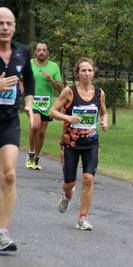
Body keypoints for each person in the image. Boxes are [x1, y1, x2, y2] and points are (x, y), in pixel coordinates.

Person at [49, 57, 108, 230]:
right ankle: (67, 195)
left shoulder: (99, 93)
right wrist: (67, 117)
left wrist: (104, 122)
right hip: (71, 145)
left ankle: (82, 218)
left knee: (88, 179)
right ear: (77, 74)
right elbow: (53, 111)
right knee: (70, 184)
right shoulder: (69, 92)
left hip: (91, 144)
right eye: (83, 70)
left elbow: (103, 113)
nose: (87, 73)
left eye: (90, 70)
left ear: (94, 72)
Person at [0, 7, 35, 251]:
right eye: (0, 23)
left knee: (10, 174)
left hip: (8, 120)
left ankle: (2, 233)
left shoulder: (23, 52)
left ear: (14, 27)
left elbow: (30, 79)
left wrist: (29, 105)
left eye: (8, 23)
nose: (4, 27)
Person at [25, 42, 63, 170]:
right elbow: (20, 79)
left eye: (44, 50)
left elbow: (60, 87)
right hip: (33, 101)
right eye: (39, 50)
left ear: (47, 53)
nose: (41, 52)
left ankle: (36, 156)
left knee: (41, 132)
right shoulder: (29, 64)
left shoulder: (53, 67)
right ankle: (30, 153)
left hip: (46, 104)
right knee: (35, 126)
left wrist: (50, 79)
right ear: (35, 52)